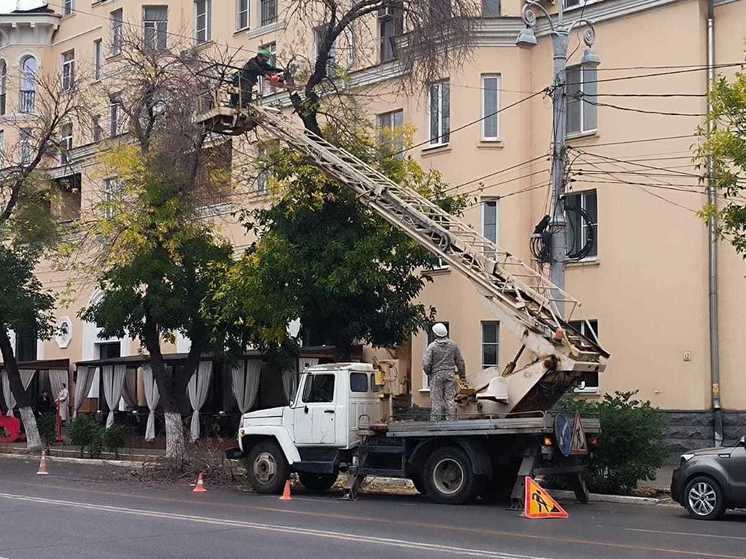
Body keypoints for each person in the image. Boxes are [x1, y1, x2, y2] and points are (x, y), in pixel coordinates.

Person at [423, 323, 466, 421]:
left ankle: (436, 423)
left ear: (435, 334)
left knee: (436, 400)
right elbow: (460, 361)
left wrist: (428, 372)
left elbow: (426, 363)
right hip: (450, 375)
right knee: (450, 399)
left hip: (436, 375)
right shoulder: (453, 345)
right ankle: (451, 422)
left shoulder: (432, 347)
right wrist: (462, 375)